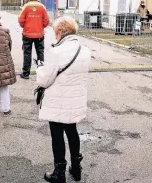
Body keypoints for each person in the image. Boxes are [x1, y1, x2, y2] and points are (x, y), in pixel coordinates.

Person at [36, 17, 91, 183]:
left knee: (57, 134)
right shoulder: (85, 50)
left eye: (55, 32)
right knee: (72, 130)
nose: (54, 36)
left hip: (58, 99)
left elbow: (44, 80)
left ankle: (59, 172)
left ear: (60, 32)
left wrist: (39, 68)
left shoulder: (55, 52)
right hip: (76, 98)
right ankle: (76, 167)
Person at [18, 0, 50, 79]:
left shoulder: (26, 6)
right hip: (39, 34)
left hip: (27, 34)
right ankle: (41, 73)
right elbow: (46, 21)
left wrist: (25, 26)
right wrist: (40, 26)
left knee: (27, 53)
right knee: (40, 52)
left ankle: (26, 73)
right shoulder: (42, 7)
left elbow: (20, 20)